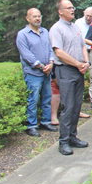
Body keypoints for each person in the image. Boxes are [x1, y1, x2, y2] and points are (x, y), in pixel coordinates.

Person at [49, 0, 90, 155]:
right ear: (60, 11)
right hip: (65, 70)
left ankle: (73, 137)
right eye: (68, 8)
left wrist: (86, 62)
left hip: (79, 70)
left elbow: (82, 46)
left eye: (73, 7)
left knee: (77, 105)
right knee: (68, 106)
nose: (72, 10)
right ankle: (64, 141)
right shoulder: (56, 29)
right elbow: (59, 53)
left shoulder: (75, 27)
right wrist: (78, 65)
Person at [16, 8, 56, 137]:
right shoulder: (22, 34)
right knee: (33, 99)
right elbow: (26, 54)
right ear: (28, 18)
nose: (37, 18)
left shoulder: (45, 32)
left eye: (39, 16)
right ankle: (31, 125)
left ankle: (45, 121)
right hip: (33, 73)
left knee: (46, 98)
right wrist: (40, 66)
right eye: (34, 16)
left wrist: (50, 63)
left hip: (47, 72)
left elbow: (51, 49)